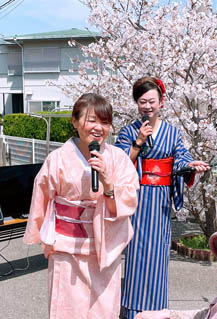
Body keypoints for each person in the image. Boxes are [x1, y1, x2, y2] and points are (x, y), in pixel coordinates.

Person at [23, 93, 139, 319]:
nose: (99, 128)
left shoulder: (118, 159)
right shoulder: (57, 159)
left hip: (105, 247)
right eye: (92, 120)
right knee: (66, 309)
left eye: (105, 122)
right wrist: (40, 234)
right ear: (75, 122)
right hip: (67, 247)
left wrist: (108, 184)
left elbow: (130, 198)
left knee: (103, 310)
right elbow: (42, 196)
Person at [115, 76, 210, 318]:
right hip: (137, 198)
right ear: (137, 104)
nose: (147, 106)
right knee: (136, 254)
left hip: (159, 201)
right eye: (142, 102)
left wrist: (191, 165)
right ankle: (132, 311)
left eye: (152, 101)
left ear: (161, 102)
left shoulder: (173, 133)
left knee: (158, 254)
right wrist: (138, 142)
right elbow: (119, 164)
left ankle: (156, 310)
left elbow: (181, 158)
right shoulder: (128, 132)